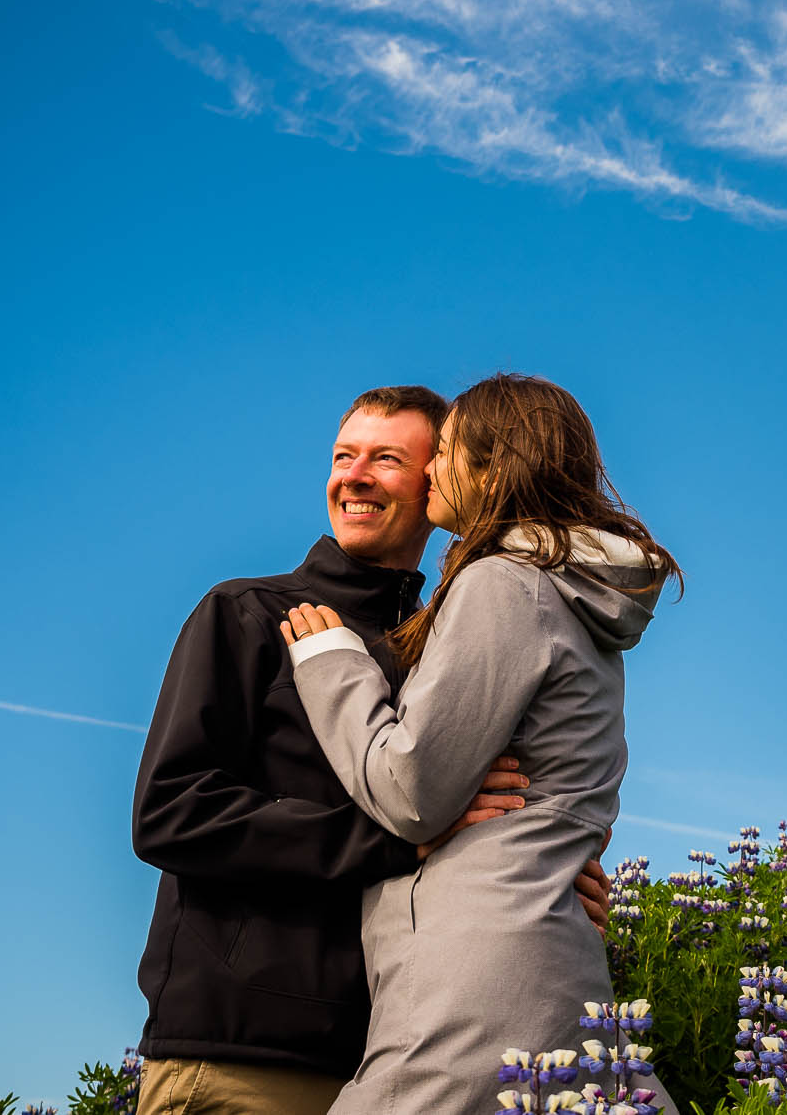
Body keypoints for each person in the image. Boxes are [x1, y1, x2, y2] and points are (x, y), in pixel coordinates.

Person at [131, 385, 612, 1115]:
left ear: (441, 479)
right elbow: (171, 813)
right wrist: (395, 842)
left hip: (406, 1048)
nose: (352, 476)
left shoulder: (451, 638)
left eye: (386, 459)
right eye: (342, 456)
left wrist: (540, 871)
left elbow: (505, 796)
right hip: (245, 1056)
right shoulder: (247, 613)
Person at [280, 373, 676, 1115]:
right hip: (546, 943)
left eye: (449, 452)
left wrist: (333, 664)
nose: (430, 469)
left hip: (478, 962)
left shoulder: (505, 584)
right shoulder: (575, 594)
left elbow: (411, 792)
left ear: (492, 472)